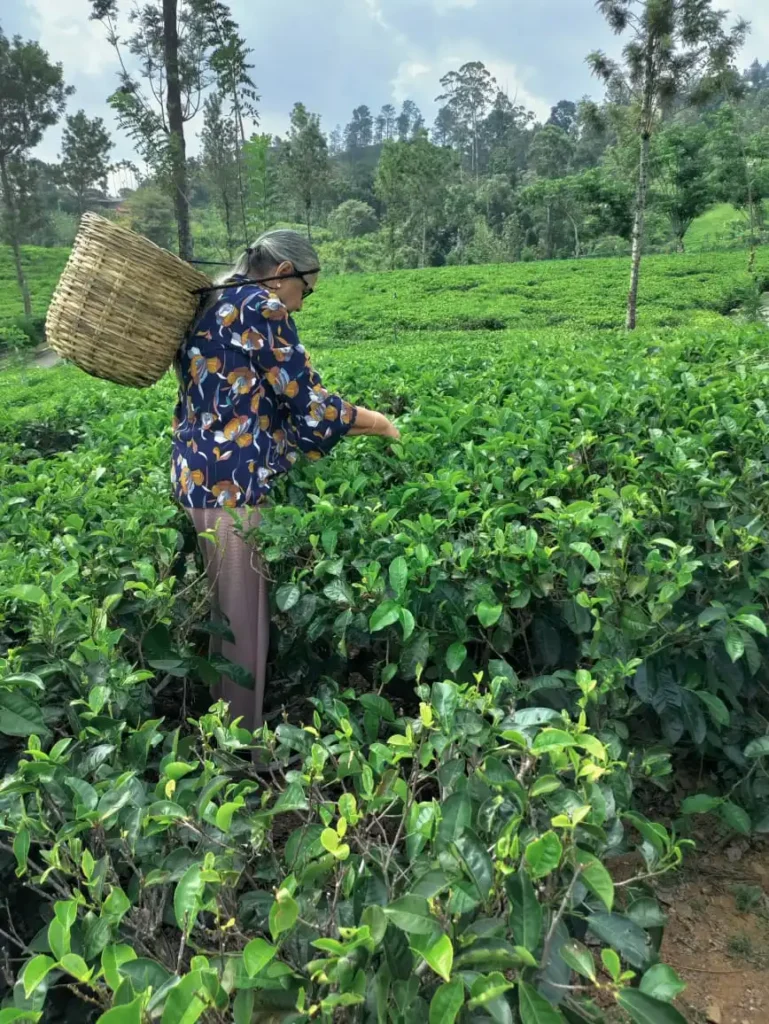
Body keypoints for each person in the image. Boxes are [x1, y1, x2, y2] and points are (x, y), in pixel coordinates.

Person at [172, 230, 398, 733]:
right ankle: (239, 750)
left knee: (225, 619)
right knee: (244, 628)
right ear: (282, 274)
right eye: (305, 292)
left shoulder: (215, 299)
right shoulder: (261, 306)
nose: (300, 305)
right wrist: (379, 422)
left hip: (197, 476)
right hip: (233, 487)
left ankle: (219, 734)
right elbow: (312, 406)